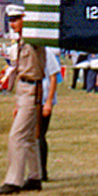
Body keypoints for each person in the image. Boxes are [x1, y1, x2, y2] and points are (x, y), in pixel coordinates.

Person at [0, 6, 46, 195]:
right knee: (29, 137)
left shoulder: (34, 40)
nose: (12, 24)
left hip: (32, 88)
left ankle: (13, 181)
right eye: (10, 20)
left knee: (17, 136)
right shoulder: (21, 42)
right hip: (23, 88)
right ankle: (34, 177)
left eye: (16, 19)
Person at [38, 47, 60, 181]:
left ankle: (42, 171)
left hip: (44, 97)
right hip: (32, 97)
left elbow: (53, 78)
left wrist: (49, 101)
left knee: (39, 134)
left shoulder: (47, 54)